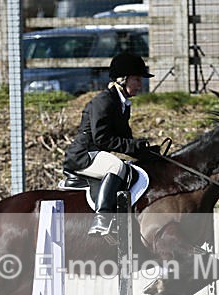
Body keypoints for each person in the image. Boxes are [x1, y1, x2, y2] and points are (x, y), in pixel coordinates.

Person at [62, 52, 155, 237]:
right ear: (122, 79)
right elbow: (101, 139)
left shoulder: (123, 104)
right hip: (83, 156)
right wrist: (132, 147)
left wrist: (147, 153)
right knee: (117, 166)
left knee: (131, 168)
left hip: (97, 154)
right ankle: (102, 219)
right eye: (136, 79)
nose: (140, 84)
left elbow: (125, 139)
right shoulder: (103, 101)